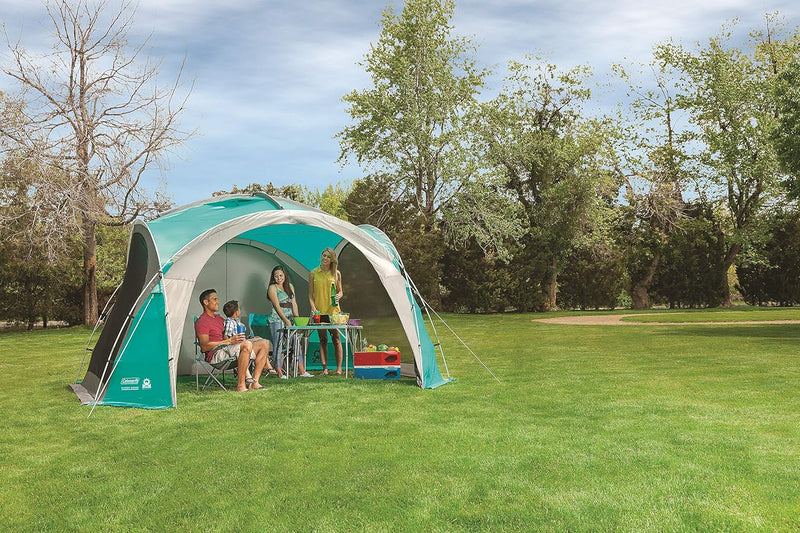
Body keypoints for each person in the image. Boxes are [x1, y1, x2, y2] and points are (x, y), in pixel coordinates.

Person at [195, 289, 270, 391]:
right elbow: (204, 346)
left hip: (230, 349)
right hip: (217, 355)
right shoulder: (202, 321)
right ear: (206, 302)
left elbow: (231, 335)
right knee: (246, 345)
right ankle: (241, 386)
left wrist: (249, 338)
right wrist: (229, 341)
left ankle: (254, 383)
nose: (218, 302)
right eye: (215, 299)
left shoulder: (220, 319)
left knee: (264, 343)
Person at [267, 266, 312, 378]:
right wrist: (286, 320)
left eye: (281, 275)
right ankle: (279, 372)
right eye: (276, 276)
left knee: (296, 343)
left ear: (285, 276)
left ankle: (302, 371)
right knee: (278, 344)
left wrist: (296, 319)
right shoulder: (272, 288)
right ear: (273, 277)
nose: (278, 278)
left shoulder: (290, 286)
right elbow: (277, 306)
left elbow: (294, 303)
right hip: (277, 319)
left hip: (290, 318)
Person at [308, 248, 343, 375]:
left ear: (332, 259)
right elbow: (310, 295)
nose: (325, 258)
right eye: (323, 255)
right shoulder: (313, 273)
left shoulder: (336, 274)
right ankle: (325, 369)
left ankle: (339, 369)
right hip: (320, 312)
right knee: (323, 339)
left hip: (333, 312)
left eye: (328, 257)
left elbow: (340, 291)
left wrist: (339, 295)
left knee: (336, 339)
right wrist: (314, 309)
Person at [223, 299, 276, 376]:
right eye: (239, 308)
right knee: (256, 344)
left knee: (260, 339)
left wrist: (250, 338)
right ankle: (264, 365)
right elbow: (226, 335)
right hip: (237, 344)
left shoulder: (236, 321)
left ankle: (266, 363)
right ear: (236, 312)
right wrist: (230, 342)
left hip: (243, 341)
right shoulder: (229, 322)